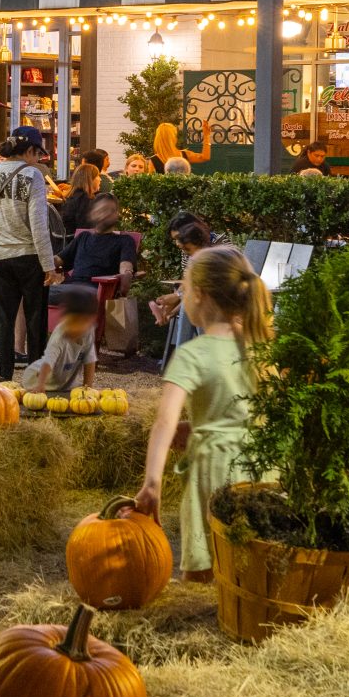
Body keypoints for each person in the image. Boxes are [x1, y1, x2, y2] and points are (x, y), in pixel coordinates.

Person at [133, 246, 273, 581]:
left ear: (199, 295)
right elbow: (248, 412)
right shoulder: (261, 345)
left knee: (206, 571)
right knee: (255, 563)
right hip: (265, 465)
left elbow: (164, 421)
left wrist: (151, 483)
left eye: (182, 287)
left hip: (215, 470)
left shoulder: (193, 354)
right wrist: (200, 425)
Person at [0, 126, 58, 380]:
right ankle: (35, 379)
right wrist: (48, 265)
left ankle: (4, 378)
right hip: (29, 256)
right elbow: (39, 225)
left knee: (4, 320)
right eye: (37, 153)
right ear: (29, 150)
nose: (38, 158)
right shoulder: (33, 175)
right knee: (35, 320)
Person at [149, 214, 214, 372]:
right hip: (199, 299)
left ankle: (182, 362)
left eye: (180, 239)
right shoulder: (192, 253)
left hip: (219, 300)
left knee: (193, 303)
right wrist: (171, 311)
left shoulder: (216, 253)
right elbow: (190, 282)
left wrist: (177, 297)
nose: (179, 244)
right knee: (190, 303)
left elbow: (204, 285)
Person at [17, 283, 101, 395]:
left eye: (82, 322)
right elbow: (48, 362)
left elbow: (89, 361)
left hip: (66, 382)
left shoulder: (88, 331)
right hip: (43, 381)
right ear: (64, 317)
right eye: (73, 321)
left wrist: (88, 389)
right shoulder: (60, 336)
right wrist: (40, 385)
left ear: (91, 319)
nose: (76, 327)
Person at [61, 194, 138, 290]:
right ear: (92, 214)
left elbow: (125, 265)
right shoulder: (83, 237)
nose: (106, 214)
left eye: (111, 210)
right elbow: (59, 259)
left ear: (116, 215)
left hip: (95, 291)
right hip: (68, 288)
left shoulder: (124, 240)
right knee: (40, 292)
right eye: (102, 210)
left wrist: (126, 274)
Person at [57, 161, 103, 261]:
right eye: (98, 176)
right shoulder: (85, 200)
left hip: (69, 245)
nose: (100, 179)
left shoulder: (74, 196)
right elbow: (86, 230)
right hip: (79, 249)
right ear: (90, 180)